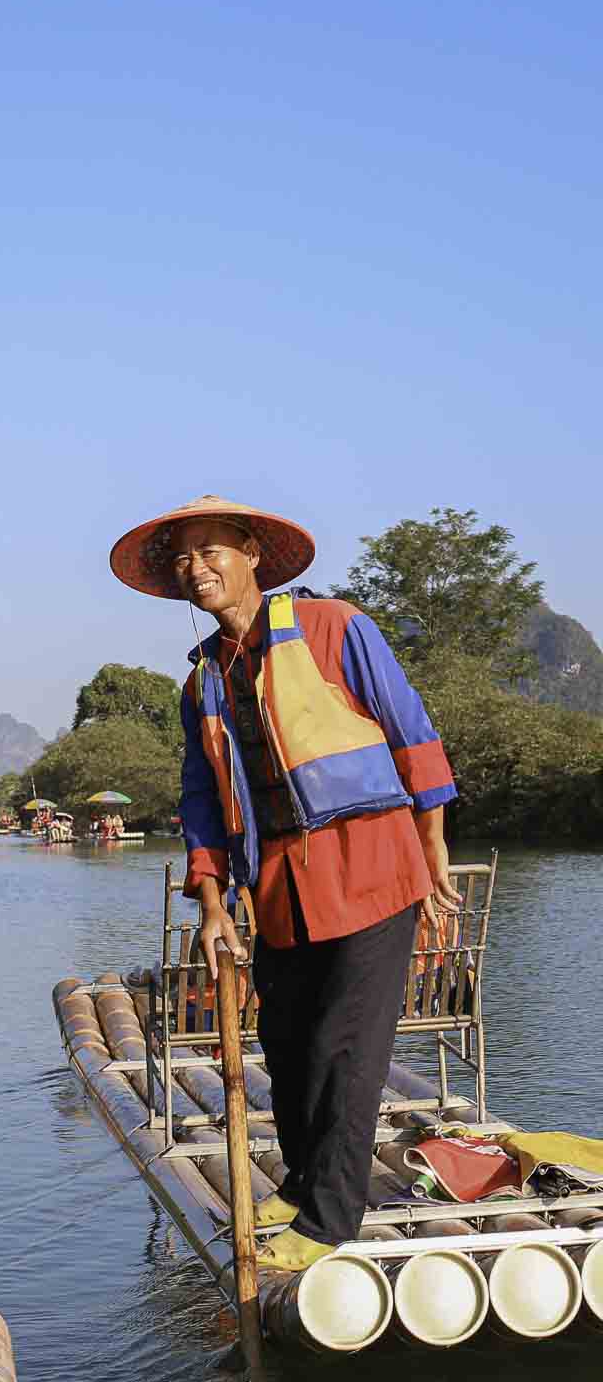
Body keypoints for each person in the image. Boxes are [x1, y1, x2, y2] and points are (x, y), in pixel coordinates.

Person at [109, 495, 459, 1272]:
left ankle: (331, 1218)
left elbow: (414, 736)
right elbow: (202, 800)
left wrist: (432, 847)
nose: (197, 568)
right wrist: (212, 902)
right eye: (183, 558)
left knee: (344, 1047)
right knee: (289, 1043)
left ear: (252, 555)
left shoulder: (335, 627)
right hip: (278, 887)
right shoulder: (202, 681)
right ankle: (303, 1182)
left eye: (212, 551)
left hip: (372, 866)